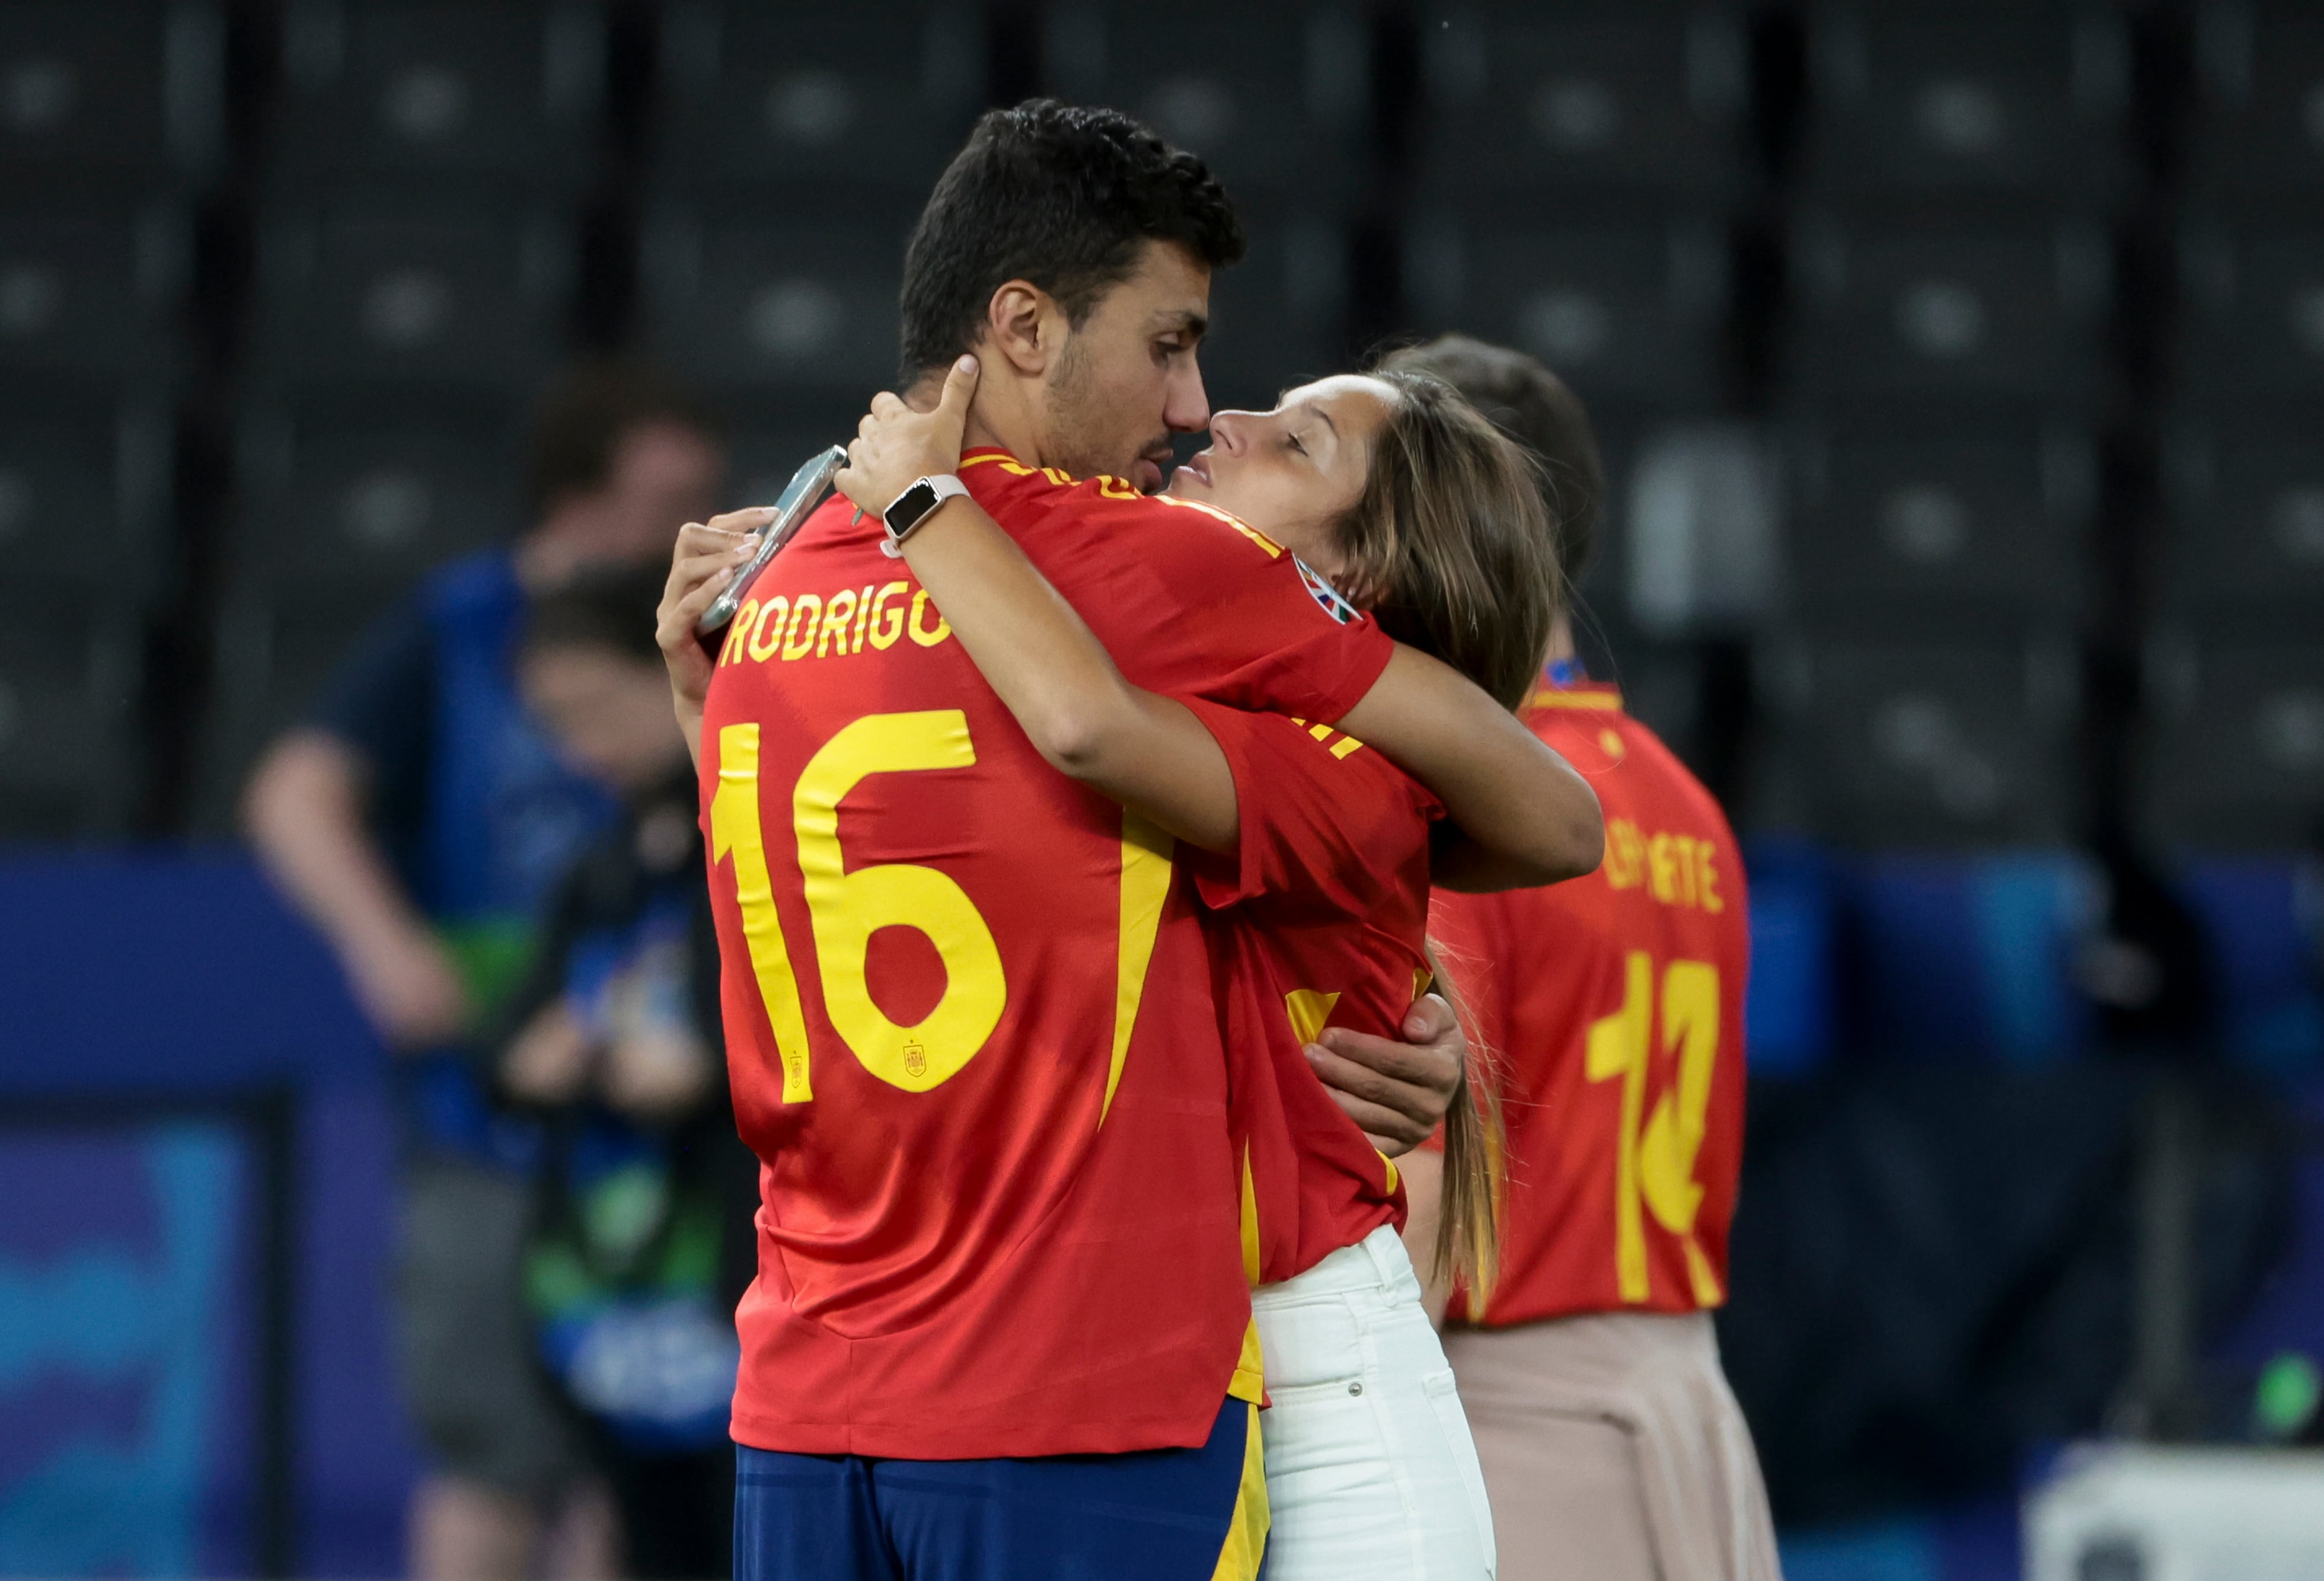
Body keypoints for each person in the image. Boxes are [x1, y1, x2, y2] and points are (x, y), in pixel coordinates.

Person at [651, 101, 1598, 1580]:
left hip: (839, 1375)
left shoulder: (785, 574)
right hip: (1081, 1376)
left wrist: (729, 664)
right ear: (1023, 327)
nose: (1193, 407)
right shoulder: (1152, 573)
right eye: (1169, 345)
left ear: (1354, 580)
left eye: (1271, 425)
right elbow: (1529, 817)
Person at [831, 353, 1565, 1581]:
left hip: (1310, 1375)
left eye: (1296, 442)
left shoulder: (1323, 756)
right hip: (1132, 1364)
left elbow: (1089, 726)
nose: (1221, 416)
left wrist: (923, 506)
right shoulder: (1127, 677)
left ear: (1353, 577)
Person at [242, 363, 723, 1581]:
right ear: (573, 493)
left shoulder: (718, 636)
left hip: (665, 1165)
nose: (692, 523)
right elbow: (294, 791)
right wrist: (385, 946)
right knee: (493, 1463)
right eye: (662, 495)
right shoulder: (455, 626)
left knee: (638, 1470)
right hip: (485, 1128)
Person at [1393, 335, 1782, 1581]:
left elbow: (1425, 1191)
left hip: (1517, 1433)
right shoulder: (1683, 807)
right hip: (1688, 1412)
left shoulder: (1473, 809)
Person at [488, 560, 758, 1580]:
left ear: (675, 667)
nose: (578, 748)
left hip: (739, 1287)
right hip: (610, 1305)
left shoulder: (761, 828)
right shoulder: (601, 866)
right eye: (553, 723)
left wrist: (713, 1064)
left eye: (594, 709)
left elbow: (819, 1043)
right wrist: (540, 1058)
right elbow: (504, 1052)